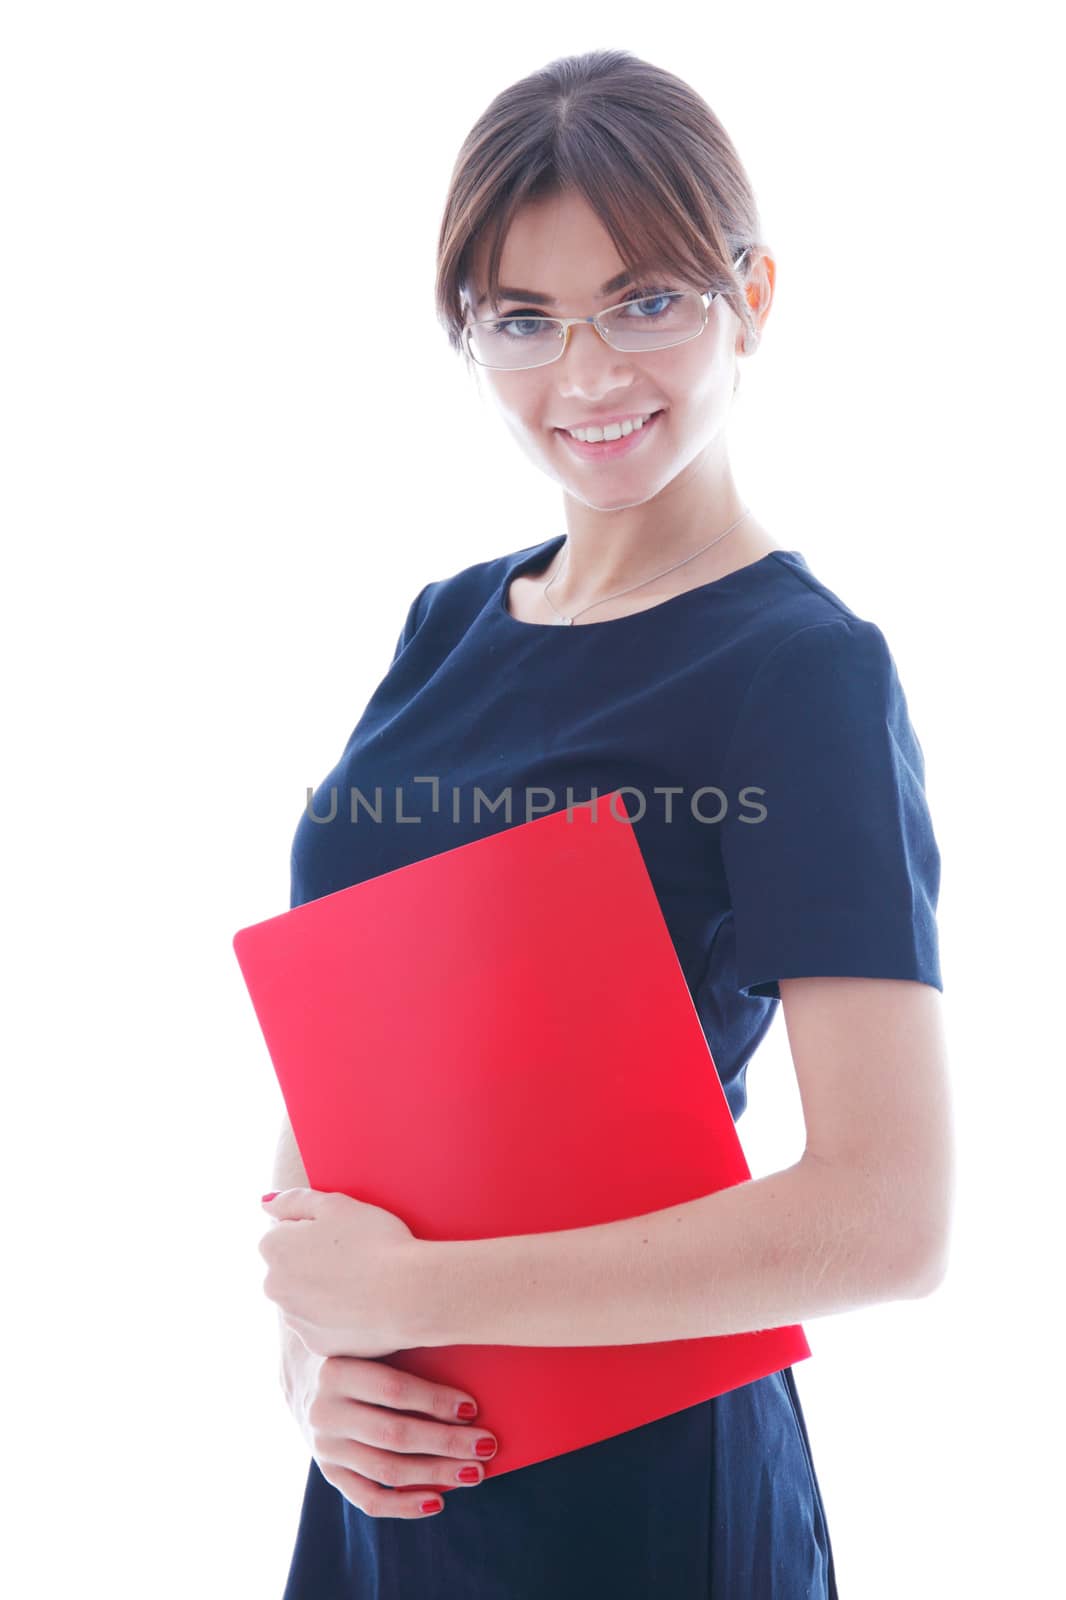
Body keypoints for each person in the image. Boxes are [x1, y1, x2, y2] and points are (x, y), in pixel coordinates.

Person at [268, 47, 953, 1600]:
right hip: (398, 1481)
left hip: (639, 1487)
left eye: (642, 300)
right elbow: (360, 1036)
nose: (584, 376)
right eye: (522, 319)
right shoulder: (447, 625)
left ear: (751, 296)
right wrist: (315, 1364)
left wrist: (415, 1288)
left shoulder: (799, 672)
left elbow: (887, 1217)